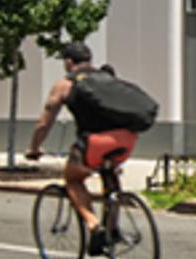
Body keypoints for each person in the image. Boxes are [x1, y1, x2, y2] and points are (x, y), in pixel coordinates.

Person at [32, 39, 149, 237]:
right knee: (109, 175)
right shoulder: (109, 79)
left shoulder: (65, 85)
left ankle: (94, 225)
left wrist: (34, 148)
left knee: (73, 180)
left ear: (69, 62)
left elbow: (44, 122)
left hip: (96, 143)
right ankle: (112, 228)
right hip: (127, 139)